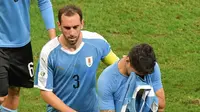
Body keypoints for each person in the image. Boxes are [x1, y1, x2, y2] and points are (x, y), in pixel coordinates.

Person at [34, 5, 119, 112]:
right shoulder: (49, 52)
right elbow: (46, 92)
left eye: (75, 27)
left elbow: (119, 67)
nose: (72, 33)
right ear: (59, 26)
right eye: (67, 28)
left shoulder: (97, 42)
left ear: (82, 24)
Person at [0, 0, 56, 112]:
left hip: (22, 43)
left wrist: (53, 41)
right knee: (1, 96)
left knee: (15, 90)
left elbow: (44, 2)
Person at [98, 43, 165, 112]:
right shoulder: (106, 81)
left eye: (145, 74)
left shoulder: (149, 68)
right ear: (127, 60)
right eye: (138, 75)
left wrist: (146, 98)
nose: (142, 78)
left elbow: (161, 106)